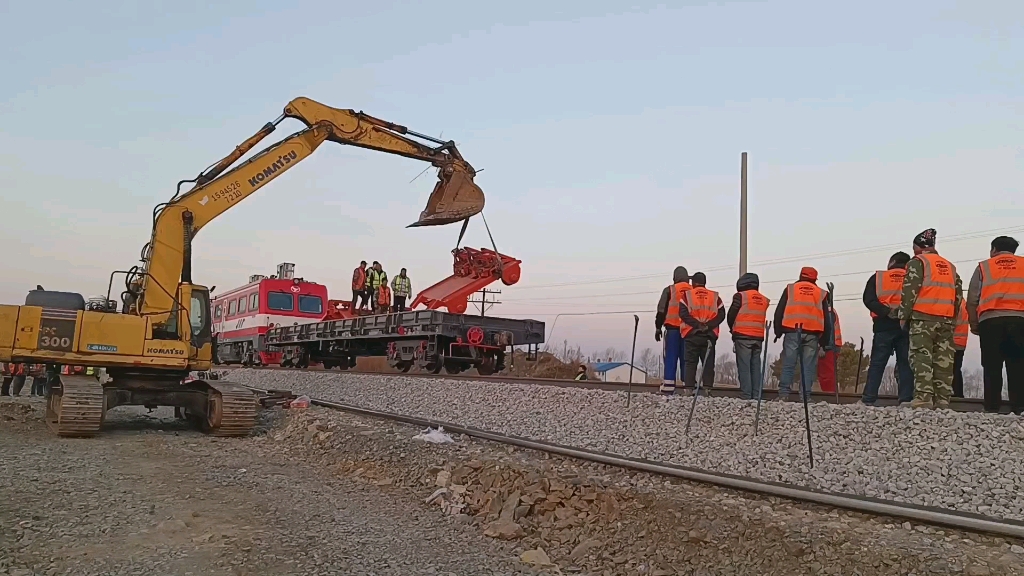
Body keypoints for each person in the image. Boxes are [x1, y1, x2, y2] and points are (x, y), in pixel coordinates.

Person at [900, 228, 963, 410]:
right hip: (946, 320)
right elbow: (958, 295)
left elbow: (910, 291)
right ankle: (943, 400)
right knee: (944, 360)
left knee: (921, 356)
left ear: (918, 247)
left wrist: (903, 316)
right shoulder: (949, 266)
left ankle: (923, 398)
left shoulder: (917, 262)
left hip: (923, 318)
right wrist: (952, 317)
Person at [966, 235, 1024, 414]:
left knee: (992, 365)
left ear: (994, 250)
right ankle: (1019, 406)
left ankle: (992, 407)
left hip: (990, 321)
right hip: (1019, 320)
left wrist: (974, 324)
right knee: (1018, 364)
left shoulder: (984, 267)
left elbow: (972, 298)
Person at [861, 251, 914, 405]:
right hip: (906, 325)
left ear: (891, 262)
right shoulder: (912, 278)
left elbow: (868, 299)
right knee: (905, 364)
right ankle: (905, 399)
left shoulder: (877, 277)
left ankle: (869, 399)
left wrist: (886, 312)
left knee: (877, 363)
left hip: (883, 325)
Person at [774, 267, 833, 401]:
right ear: (815, 278)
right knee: (808, 366)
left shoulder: (790, 289)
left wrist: (778, 331)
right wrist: (824, 342)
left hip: (792, 331)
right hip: (812, 334)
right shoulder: (821, 293)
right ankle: (805, 397)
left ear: (800, 275)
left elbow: (779, 311)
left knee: (789, 363)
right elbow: (826, 319)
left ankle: (783, 395)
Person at [680, 272, 725, 394]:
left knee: (690, 362)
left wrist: (697, 325)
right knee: (708, 363)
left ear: (694, 283)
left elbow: (683, 313)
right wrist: (708, 326)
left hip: (692, 333)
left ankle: (689, 389)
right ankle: (707, 389)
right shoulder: (715, 297)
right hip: (709, 335)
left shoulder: (687, 296)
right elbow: (722, 314)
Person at [727, 273, 770, 400]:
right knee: (755, 366)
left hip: (743, 335)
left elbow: (731, 315)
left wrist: (732, 328)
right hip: (758, 336)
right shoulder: (764, 299)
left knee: (744, 366)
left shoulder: (740, 296)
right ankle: (757, 395)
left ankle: (746, 394)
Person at [654, 266, 691, 395]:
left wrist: (658, 327)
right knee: (687, 359)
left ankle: (668, 387)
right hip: (689, 331)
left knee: (670, 357)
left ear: (675, 277)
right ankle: (688, 386)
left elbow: (661, 310)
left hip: (672, 329)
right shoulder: (693, 291)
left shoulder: (670, 290)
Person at [816, 309, 843, 394]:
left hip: (829, 347)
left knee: (827, 375)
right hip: (831, 346)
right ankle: (829, 395)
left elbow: (829, 331)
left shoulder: (827, 312)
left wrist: (823, 347)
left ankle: (829, 396)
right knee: (825, 374)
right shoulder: (828, 311)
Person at [953, 299, 969, 399]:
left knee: (951, 370)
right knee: (956, 369)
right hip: (961, 341)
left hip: (951, 341)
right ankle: (958, 394)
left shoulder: (955, 302)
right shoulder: (963, 302)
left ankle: (957, 394)